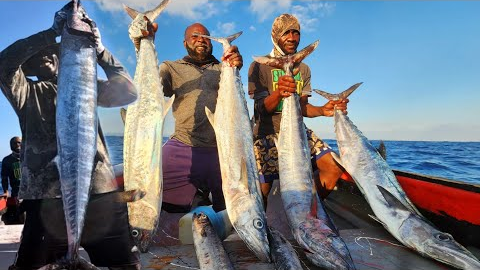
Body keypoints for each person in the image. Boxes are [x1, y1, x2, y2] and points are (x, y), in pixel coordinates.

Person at [0, 3, 140, 270]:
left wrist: (99, 51)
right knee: (31, 265)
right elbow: (4, 63)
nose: (49, 58)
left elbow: (128, 93)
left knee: (125, 263)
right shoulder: (26, 92)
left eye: (54, 54)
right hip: (46, 194)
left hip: (98, 187)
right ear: (30, 67)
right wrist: (50, 33)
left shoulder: (86, 84)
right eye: (41, 56)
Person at [134, 21, 243, 214]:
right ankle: (194, 198)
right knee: (154, 196)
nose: (201, 39)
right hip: (182, 145)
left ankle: (205, 198)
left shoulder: (223, 68)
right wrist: (141, 45)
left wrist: (234, 66)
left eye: (206, 37)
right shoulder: (171, 67)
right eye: (195, 36)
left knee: (234, 205)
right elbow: (151, 85)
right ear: (185, 43)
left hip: (221, 148)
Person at [248, 14, 349, 209]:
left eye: (296, 33)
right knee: (263, 191)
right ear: (276, 36)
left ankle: (308, 211)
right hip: (266, 132)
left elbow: (302, 107)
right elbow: (260, 109)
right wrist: (279, 93)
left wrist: (323, 110)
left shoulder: (303, 68)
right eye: (287, 33)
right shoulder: (259, 66)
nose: (293, 38)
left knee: (333, 168)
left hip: (298, 131)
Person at [1, 136, 23, 224]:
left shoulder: (29, 157)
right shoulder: (7, 160)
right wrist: (6, 191)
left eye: (19, 142)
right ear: (10, 146)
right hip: (17, 191)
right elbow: (4, 178)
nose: (17, 145)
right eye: (15, 143)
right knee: (22, 211)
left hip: (32, 189)